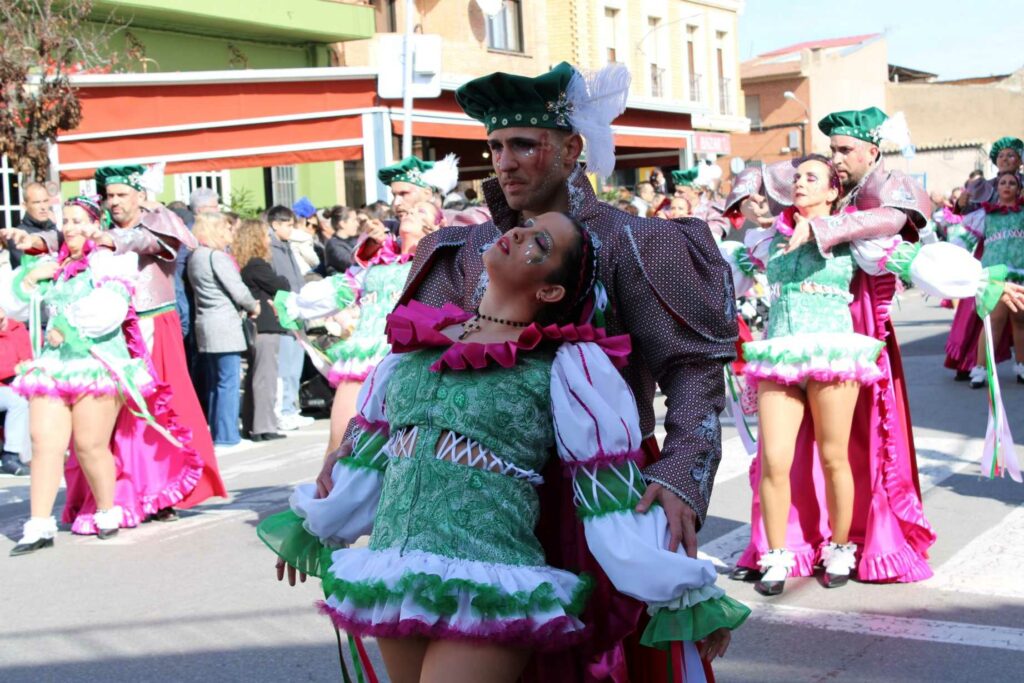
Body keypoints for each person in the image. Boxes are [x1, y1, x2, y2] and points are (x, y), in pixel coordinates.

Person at [355, 61, 735, 680]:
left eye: (524, 145)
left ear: (570, 149)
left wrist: (685, 469)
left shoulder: (640, 241)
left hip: (597, 499)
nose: (504, 163)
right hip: (469, 506)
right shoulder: (457, 249)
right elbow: (404, 374)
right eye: (495, 146)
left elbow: (692, 370)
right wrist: (351, 464)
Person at [261, 211, 748, 683]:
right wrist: (321, 524)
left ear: (550, 290)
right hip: (394, 572)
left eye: (541, 243)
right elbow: (372, 462)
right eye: (526, 228)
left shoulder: (567, 368)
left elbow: (608, 499)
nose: (519, 235)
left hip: (490, 583)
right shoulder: (416, 346)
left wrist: (678, 590)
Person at [723, 107, 959, 588]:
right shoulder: (768, 240)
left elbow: (916, 259)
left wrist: (987, 286)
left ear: (833, 189)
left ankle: (841, 547)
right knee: (774, 459)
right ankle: (776, 553)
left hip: (835, 354)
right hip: (780, 354)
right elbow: (718, 276)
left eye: (814, 176)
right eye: (798, 176)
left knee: (835, 456)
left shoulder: (858, 238)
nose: (802, 183)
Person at [6, 196, 204, 553]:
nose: (71, 227)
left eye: (79, 220)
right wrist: (31, 278)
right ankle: (38, 526)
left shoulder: (110, 262)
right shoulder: (53, 264)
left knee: (89, 445)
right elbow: (15, 306)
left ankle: (106, 509)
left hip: (97, 364)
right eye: (65, 221)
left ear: (95, 225)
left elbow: (108, 313)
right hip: (53, 365)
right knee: (43, 443)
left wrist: (66, 325)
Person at [75, 166, 226, 517]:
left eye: (121, 194)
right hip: (113, 334)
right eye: (109, 196)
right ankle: (125, 492)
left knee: (161, 410)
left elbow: (152, 242)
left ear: (140, 196)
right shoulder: (102, 230)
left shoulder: (158, 221)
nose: (114, 202)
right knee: (120, 414)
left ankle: (165, 491)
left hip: (154, 324)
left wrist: (114, 239)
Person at [275, 201, 444, 459]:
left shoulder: (439, 262)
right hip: (362, 357)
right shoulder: (376, 263)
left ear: (436, 225)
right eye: (410, 209)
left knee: (398, 448)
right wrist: (293, 304)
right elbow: (340, 290)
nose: (410, 211)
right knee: (340, 442)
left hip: (405, 360)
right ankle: (331, 492)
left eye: (421, 211)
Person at [187, 213, 260, 449]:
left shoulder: (195, 256)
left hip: (204, 322)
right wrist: (253, 305)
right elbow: (238, 290)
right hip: (224, 324)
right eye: (227, 230)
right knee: (228, 381)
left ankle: (218, 431)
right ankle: (228, 435)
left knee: (216, 382)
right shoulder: (217, 257)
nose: (231, 234)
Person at [954, 172, 1024, 387]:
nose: (1007, 186)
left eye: (1012, 183)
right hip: (994, 277)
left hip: (1020, 275)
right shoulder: (986, 215)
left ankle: (1021, 366)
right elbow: (965, 239)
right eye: (1003, 182)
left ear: (1019, 189)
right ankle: (981, 369)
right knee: (992, 322)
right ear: (997, 188)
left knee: (1021, 322)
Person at [237, 219, 290, 442]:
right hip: (265, 324)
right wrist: (283, 279)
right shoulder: (257, 265)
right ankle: (263, 426)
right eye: (266, 236)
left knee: (255, 376)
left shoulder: (247, 265)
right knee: (265, 376)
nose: (269, 240)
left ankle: (252, 423)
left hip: (257, 325)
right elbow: (282, 285)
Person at [267, 205, 314, 432]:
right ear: (275, 224)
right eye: (287, 225)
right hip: (284, 312)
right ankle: (283, 410)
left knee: (296, 363)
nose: (291, 229)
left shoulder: (288, 246)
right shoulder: (271, 249)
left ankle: (292, 408)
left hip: (298, 311)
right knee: (285, 367)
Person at [0, 305, 31, 476]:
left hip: (20, 382)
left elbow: (29, 355)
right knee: (17, 400)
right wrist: (14, 369)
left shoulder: (18, 329)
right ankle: (10, 456)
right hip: (6, 387)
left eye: (1, 318)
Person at [379, 154, 460, 219]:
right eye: (394, 195)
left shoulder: (457, 224)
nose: (396, 203)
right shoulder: (391, 231)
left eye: (404, 193)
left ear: (428, 193)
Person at [955, 137, 1022, 214]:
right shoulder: (985, 186)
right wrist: (960, 204)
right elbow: (969, 212)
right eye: (1000, 156)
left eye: (1010, 156)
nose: (1004, 159)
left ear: (1020, 161)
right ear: (996, 161)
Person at [7, 182, 58, 269]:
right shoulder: (19, 236)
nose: (43, 207)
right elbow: (29, 268)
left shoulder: (52, 228)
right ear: (25, 206)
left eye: (45, 201)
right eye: (36, 202)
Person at [324, 206, 360, 276]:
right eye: (354, 220)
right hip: (342, 284)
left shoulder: (353, 240)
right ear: (342, 224)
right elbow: (352, 264)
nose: (357, 224)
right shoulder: (333, 245)